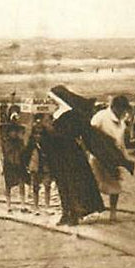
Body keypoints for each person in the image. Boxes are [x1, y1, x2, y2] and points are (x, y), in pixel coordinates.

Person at [41, 85, 105, 226]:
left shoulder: (72, 115)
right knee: (61, 185)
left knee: (72, 185)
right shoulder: (54, 114)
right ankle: (65, 213)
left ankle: (74, 215)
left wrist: (50, 128)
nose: (49, 101)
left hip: (70, 156)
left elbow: (68, 135)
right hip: (57, 156)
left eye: (51, 98)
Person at [89, 95, 133, 221]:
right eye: (121, 110)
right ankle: (92, 210)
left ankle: (113, 214)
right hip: (98, 156)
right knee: (94, 184)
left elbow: (121, 142)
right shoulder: (101, 117)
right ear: (114, 107)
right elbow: (90, 134)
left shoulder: (122, 122)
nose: (123, 113)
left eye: (124, 110)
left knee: (115, 185)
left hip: (113, 158)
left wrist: (125, 158)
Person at [25, 116, 54, 214]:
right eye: (36, 133)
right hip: (35, 167)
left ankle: (47, 206)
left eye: (40, 133)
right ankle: (36, 206)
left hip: (45, 167)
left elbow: (50, 155)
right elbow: (26, 155)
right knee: (35, 187)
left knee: (47, 186)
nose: (38, 135)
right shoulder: (31, 144)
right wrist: (28, 166)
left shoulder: (47, 144)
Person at [0, 116, 29, 213]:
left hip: (19, 164)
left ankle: (23, 204)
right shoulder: (6, 142)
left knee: (21, 184)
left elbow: (23, 152)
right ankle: (8, 205)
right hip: (9, 164)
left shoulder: (20, 142)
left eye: (15, 132)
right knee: (8, 185)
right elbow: (7, 153)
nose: (14, 133)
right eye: (13, 132)